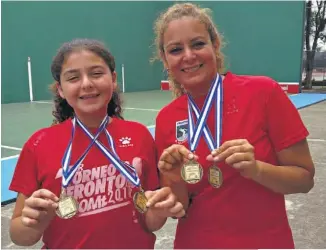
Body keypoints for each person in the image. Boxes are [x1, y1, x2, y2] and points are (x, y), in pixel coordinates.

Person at [153, 3, 315, 249]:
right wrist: (174, 178)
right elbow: (180, 208)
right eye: (176, 49)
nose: (188, 55)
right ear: (165, 58)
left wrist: (257, 169)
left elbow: (304, 180)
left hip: (265, 242)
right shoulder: (166, 119)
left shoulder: (263, 92)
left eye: (198, 44)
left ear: (215, 44)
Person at [9, 38, 185, 249]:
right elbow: (19, 236)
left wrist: (157, 211)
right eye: (73, 77)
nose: (86, 84)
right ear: (61, 90)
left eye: (96, 73)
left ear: (113, 79)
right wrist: (35, 223)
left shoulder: (139, 136)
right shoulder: (39, 144)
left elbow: (149, 222)